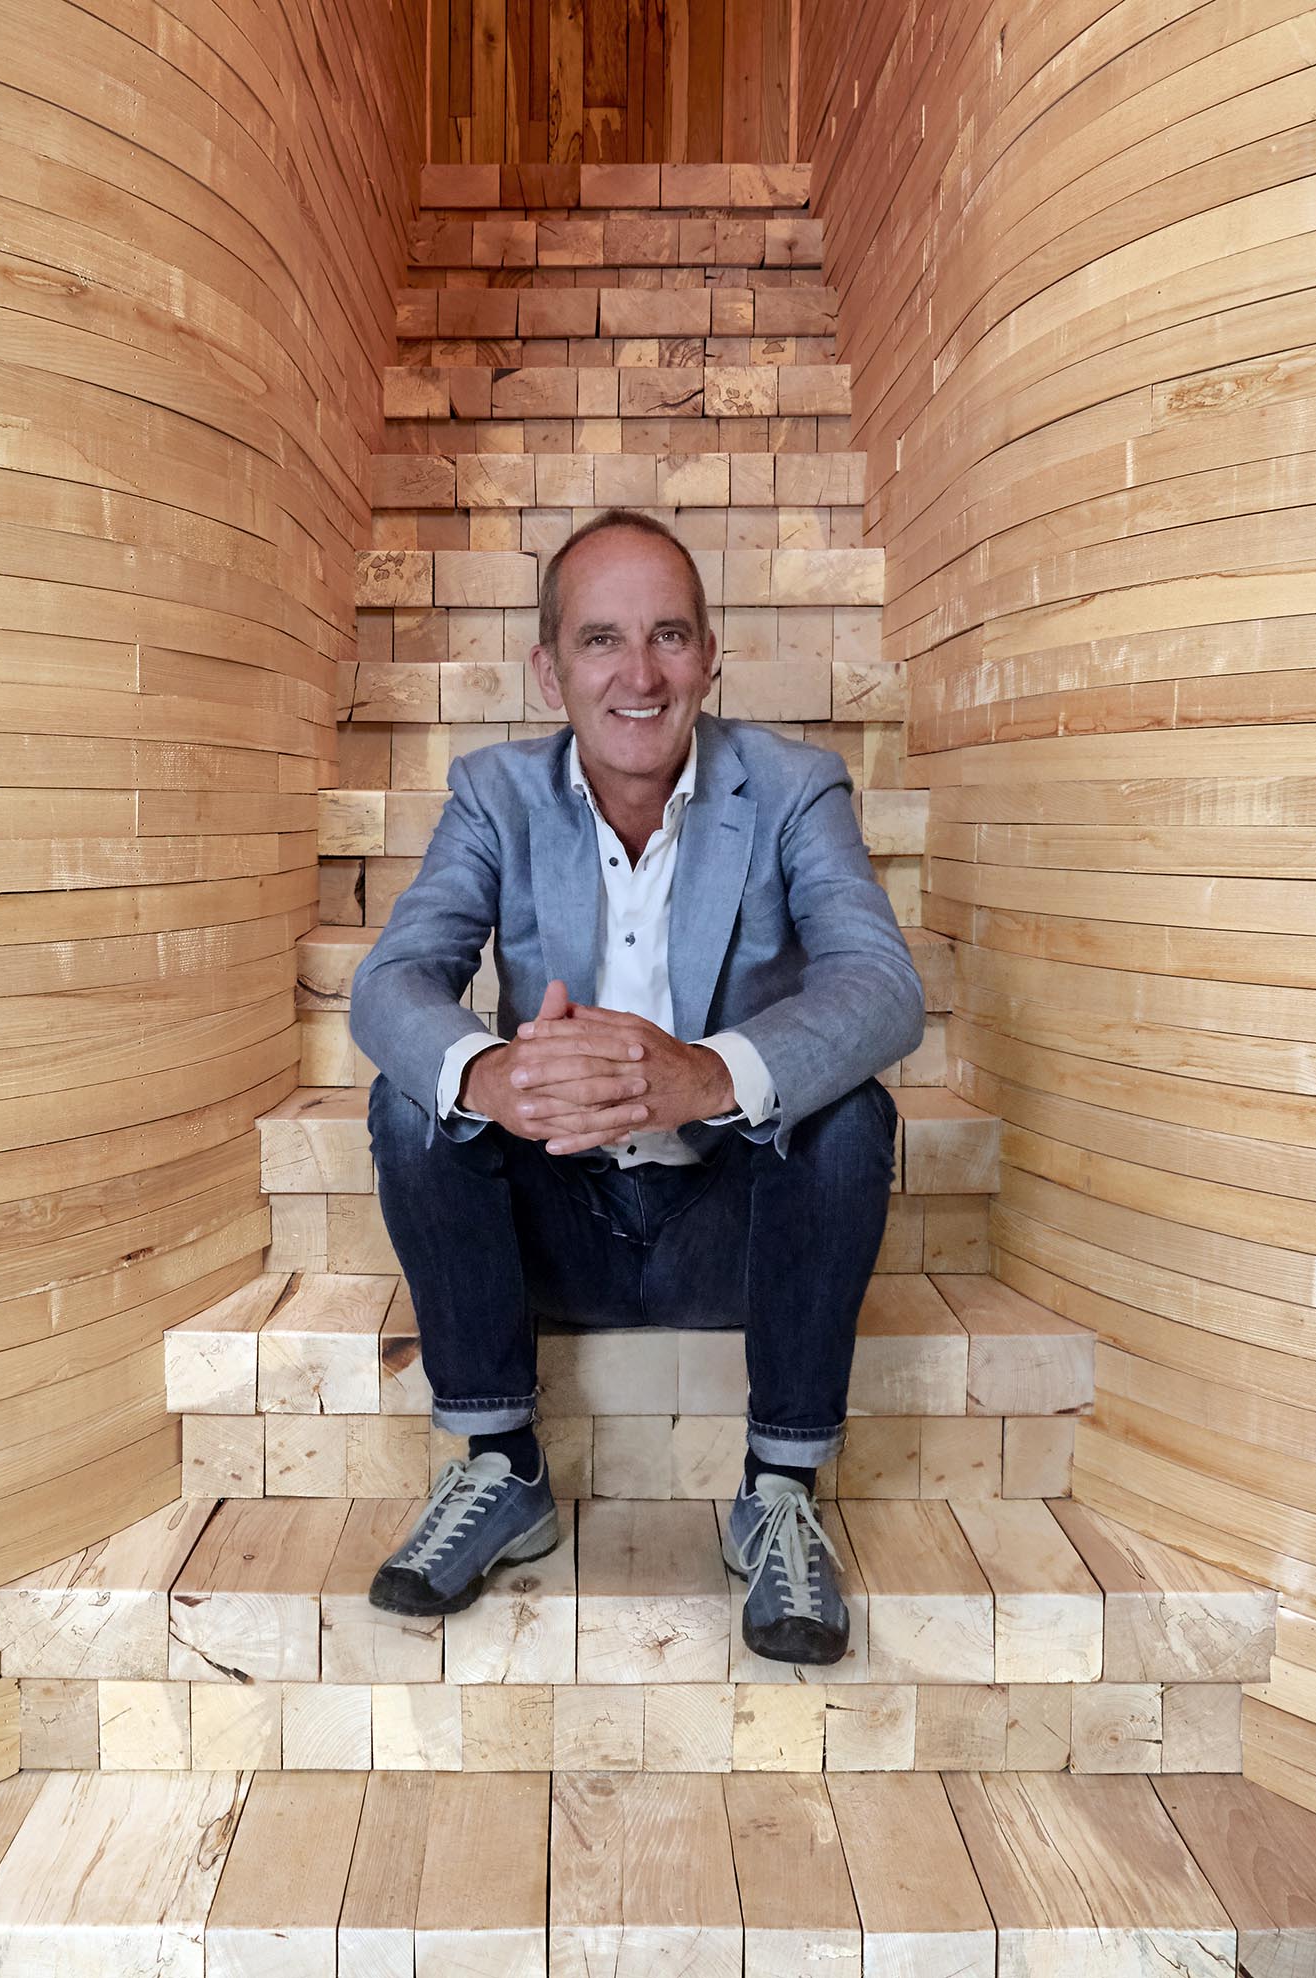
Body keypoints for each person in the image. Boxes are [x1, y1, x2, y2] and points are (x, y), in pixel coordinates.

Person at [347, 507, 925, 1665]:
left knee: (847, 1112)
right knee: (421, 1093)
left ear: (712, 655)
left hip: (730, 1223)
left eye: (669, 635)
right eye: (602, 640)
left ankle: (779, 1489)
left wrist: (708, 1074)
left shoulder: (797, 786)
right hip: (557, 1215)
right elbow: (391, 981)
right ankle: (502, 1466)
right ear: (549, 665)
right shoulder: (495, 793)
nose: (639, 673)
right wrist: (497, 1073)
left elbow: (882, 985)